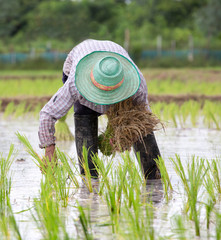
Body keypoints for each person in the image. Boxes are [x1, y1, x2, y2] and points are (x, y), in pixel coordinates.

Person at [38, 39, 161, 179]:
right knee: (84, 115)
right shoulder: (75, 84)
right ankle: (89, 178)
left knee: (138, 123)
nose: (105, 100)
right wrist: (49, 150)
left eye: (111, 95)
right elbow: (47, 114)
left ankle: (154, 175)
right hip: (79, 60)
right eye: (102, 94)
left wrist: (124, 135)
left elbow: (144, 120)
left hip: (116, 57)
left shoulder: (137, 85)